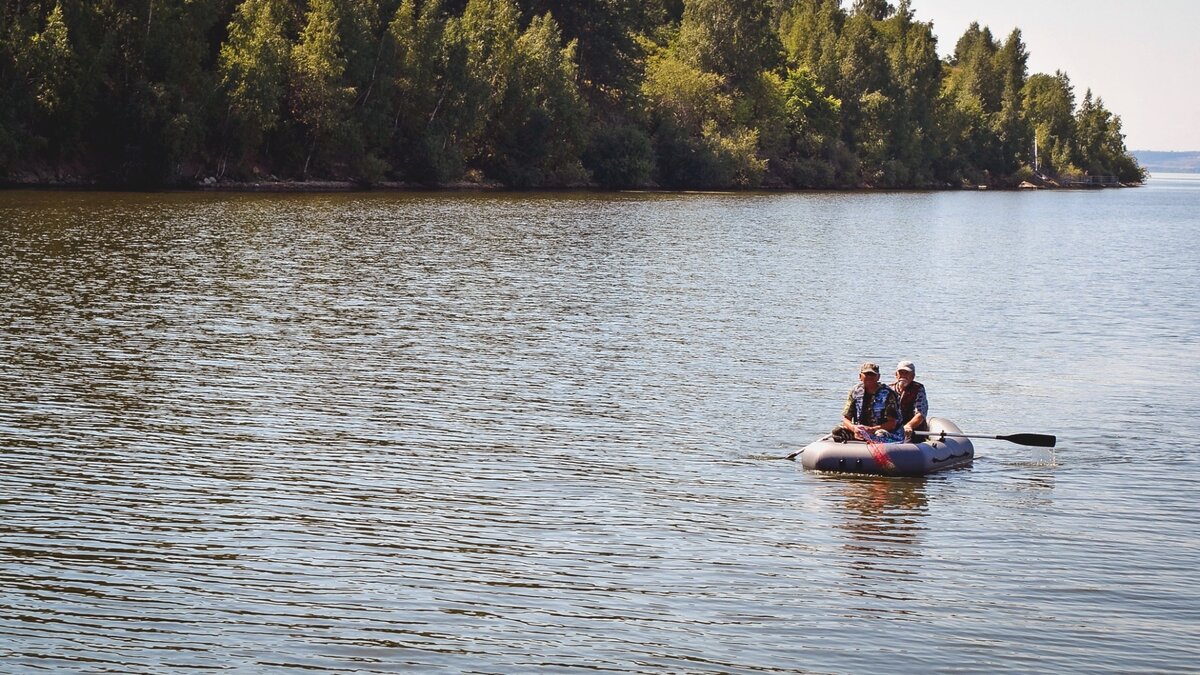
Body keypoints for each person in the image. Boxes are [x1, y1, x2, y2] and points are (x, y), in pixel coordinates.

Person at [831, 362, 903, 443]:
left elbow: (892, 424)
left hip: (883, 431)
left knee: (880, 435)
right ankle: (860, 440)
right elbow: (846, 419)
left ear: (878, 377)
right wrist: (854, 428)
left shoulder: (888, 394)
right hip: (861, 430)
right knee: (837, 432)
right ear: (860, 376)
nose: (869, 377)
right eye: (866, 374)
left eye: (872, 375)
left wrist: (871, 429)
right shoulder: (855, 391)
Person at [891, 360, 928, 442]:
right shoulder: (889, 389)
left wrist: (909, 426)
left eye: (907, 373)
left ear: (913, 376)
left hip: (913, 431)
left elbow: (920, 414)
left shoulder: (918, 389)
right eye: (901, 373)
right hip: (893, 429)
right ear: (896, 375)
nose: (903, 376)